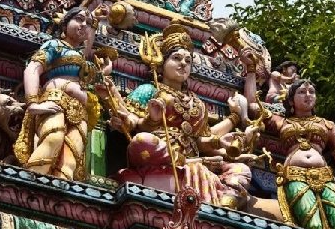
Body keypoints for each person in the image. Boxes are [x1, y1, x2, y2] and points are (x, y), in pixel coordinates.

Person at [106, 22, 258, 209]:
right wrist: (151, 120)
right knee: (142, 141)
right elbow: (131, 123)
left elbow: (200, 140)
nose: (183, 64)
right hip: (158, 151)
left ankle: (225, 202)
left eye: (188, 61)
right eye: (176, 58)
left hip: (192, 157)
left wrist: (221, 141)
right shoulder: (150, 90)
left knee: (241, 170)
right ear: (162, 64)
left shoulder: (197, 102)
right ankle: (190, 165)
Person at [244, 76, 335, 229]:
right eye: (301, 92)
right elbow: (252, 105)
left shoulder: (327, 126)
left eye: (312, 91)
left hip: (325, 179)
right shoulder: (282, 122)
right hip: (295, 177)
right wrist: (251, 69)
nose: (308, 95)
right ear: (291, 99)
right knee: (312, 223)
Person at [14, 6, 109, 181]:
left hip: (80, 110)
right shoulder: (55, 45)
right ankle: (30, 185)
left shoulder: (83, 59)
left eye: (87, 23)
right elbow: (33, 68)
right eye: (79, 19)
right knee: (53, 139)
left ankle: (57, 197)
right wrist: (33, 103)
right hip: (55, 100)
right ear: (64, 25)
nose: (83, 25)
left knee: (71, 158)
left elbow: (88, 52)